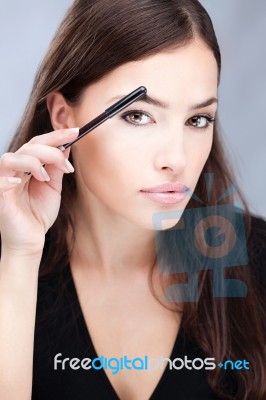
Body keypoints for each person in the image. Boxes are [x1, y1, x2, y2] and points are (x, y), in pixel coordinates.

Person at [0, 0, 265, 399]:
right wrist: (19, 258)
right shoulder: (10, 257)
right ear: (63, 117)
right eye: (138, 115)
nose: (176, 159)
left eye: (198, 120)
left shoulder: (257, 259)